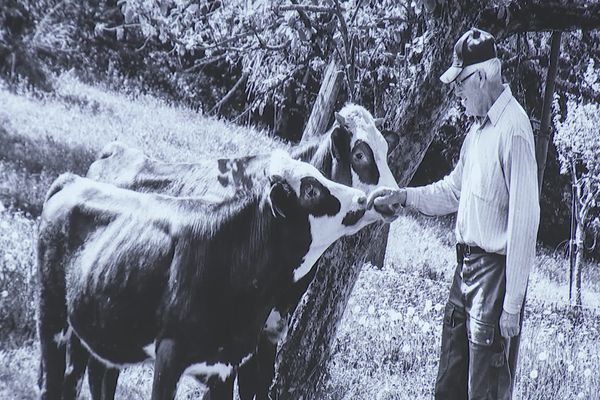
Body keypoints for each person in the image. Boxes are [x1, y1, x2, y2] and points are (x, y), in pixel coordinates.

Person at [371, 28, 540, 399]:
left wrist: (511, 306)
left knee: (484, 390)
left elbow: (525, 223)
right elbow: (453, 190)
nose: (457, 92)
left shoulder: (514, 130)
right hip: (463, 270)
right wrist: (405, 197)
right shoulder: (476, 132)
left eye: (461, 82)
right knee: (448, 384)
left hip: (495, 277)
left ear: (482, 76)